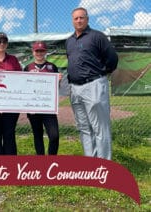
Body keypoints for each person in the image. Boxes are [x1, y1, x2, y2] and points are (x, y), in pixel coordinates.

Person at [65, 7, 118, 160]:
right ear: (72, 21)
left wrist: (101, 73)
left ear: (87, 19)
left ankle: (103, 165)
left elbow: (112, 59)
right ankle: (91, 163)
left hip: (94, 84)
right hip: (75, 88)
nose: (79, 20)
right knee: (84, 128)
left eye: (82, 17)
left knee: (100, 128)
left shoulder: (97, 36)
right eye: (76, 18)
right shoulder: (69, 41)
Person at [24, 41, 61, 155]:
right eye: (37, 51)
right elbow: (24, 88)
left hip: (48, 108)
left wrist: (58, 81)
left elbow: (55, 89)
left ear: (45, 52)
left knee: (54, 136)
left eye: (42, 51)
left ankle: (51, 159)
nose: (39, 53)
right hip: (33, 108)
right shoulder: (27, 68)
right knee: (38, 134)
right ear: (33, 52)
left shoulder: (52, 67)